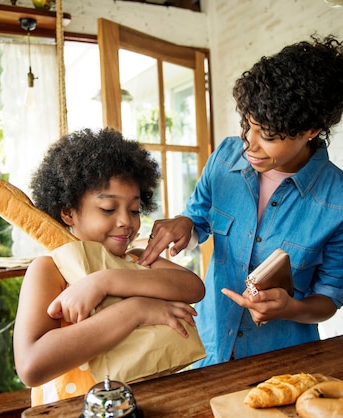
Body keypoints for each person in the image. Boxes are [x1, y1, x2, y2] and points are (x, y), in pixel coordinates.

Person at [138, 35, 343, 367]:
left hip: (281, 359)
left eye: (266, 135)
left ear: (311, 129)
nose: (249, 145)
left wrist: (291, 308)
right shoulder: (225, 157)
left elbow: (329, 298)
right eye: (246, 127)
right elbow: (199, 221)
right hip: (207, 346)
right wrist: (186, 223)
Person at [13, 128, 205, 405]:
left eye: (135, 209)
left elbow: (193, 287)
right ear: (68, 212)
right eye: (107, 209)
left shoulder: (138, 259)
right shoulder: (50, 270)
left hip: (150, 404)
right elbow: (32, 366)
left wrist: (104, 281)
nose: (126, 221)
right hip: (76, 410)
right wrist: (136, 310)